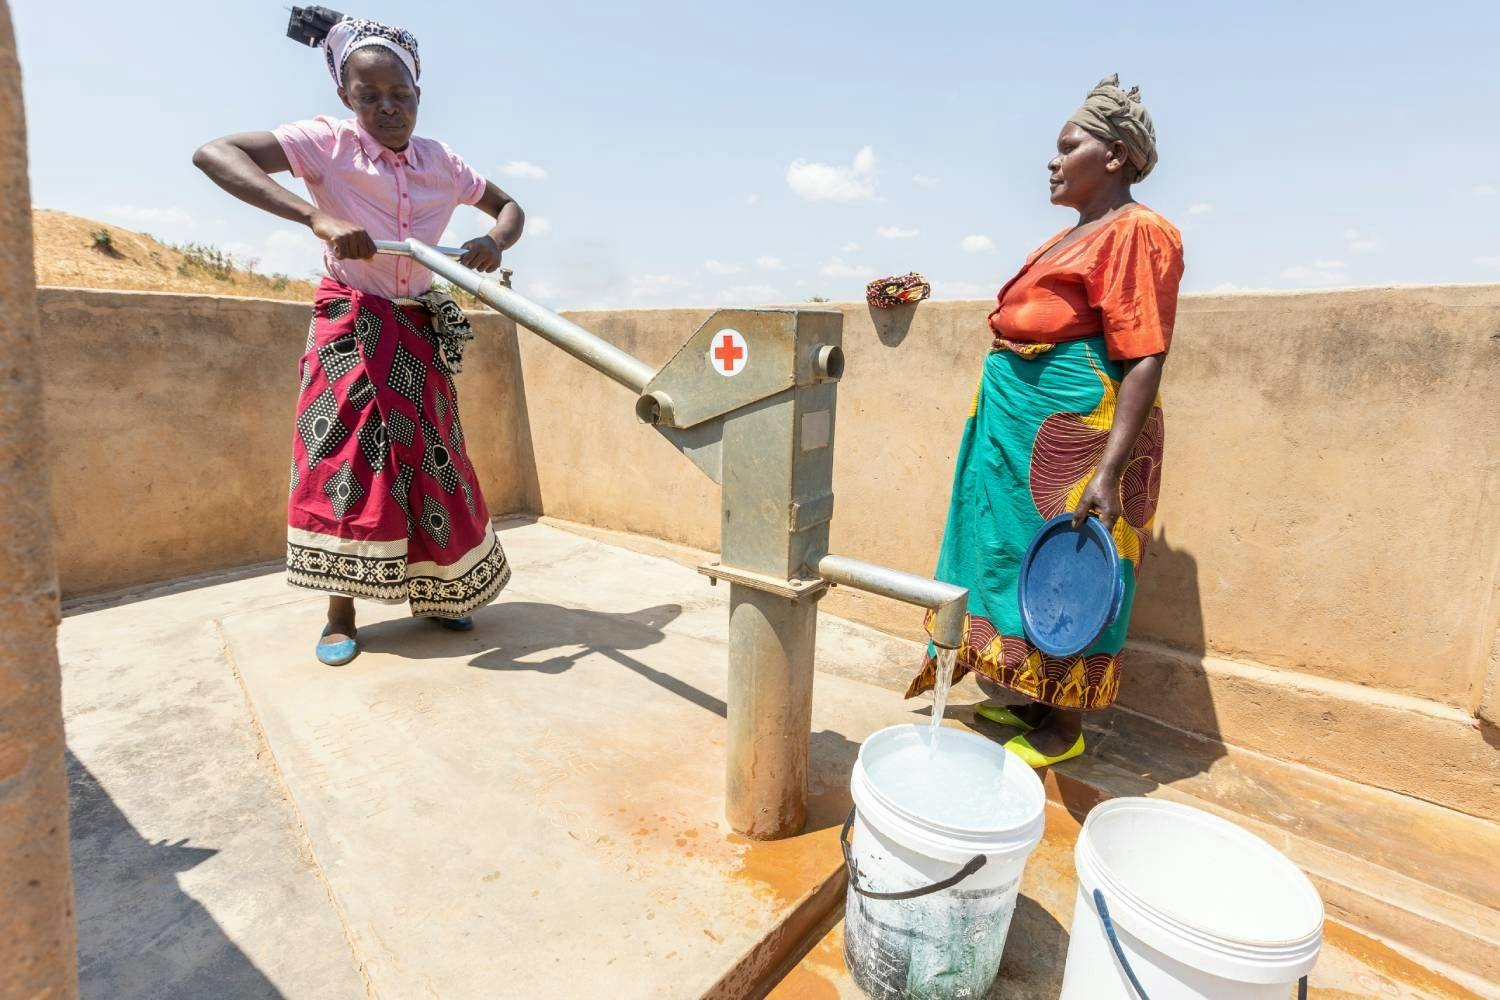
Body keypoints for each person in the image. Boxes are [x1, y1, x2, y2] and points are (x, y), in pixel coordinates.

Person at [193, 13, 525, 665]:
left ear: (419, 94)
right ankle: (340, 614)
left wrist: (493, 240)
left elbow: (510, 208)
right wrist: (317, 214)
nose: (386, 107)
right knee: (345, 460)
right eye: (369, 95)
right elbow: (215, 154)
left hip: (418, 321)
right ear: (346, 97)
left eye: (398, 94)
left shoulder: (443, 163)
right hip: (350, 320)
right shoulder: (322, 143)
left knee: (433, 456)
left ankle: (441, 595)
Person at [908, 75, 1183, 766]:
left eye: (1069, 147)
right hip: (1016, 433)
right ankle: (1031, 695)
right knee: (1013, 561)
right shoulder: (1072, 236)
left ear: (1115, 155)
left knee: (1069, 568)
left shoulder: (1137, 232)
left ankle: (1063, 729)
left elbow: (1144, 354)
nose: (1053, 161)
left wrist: (1109, 468)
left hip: (1074, 439)